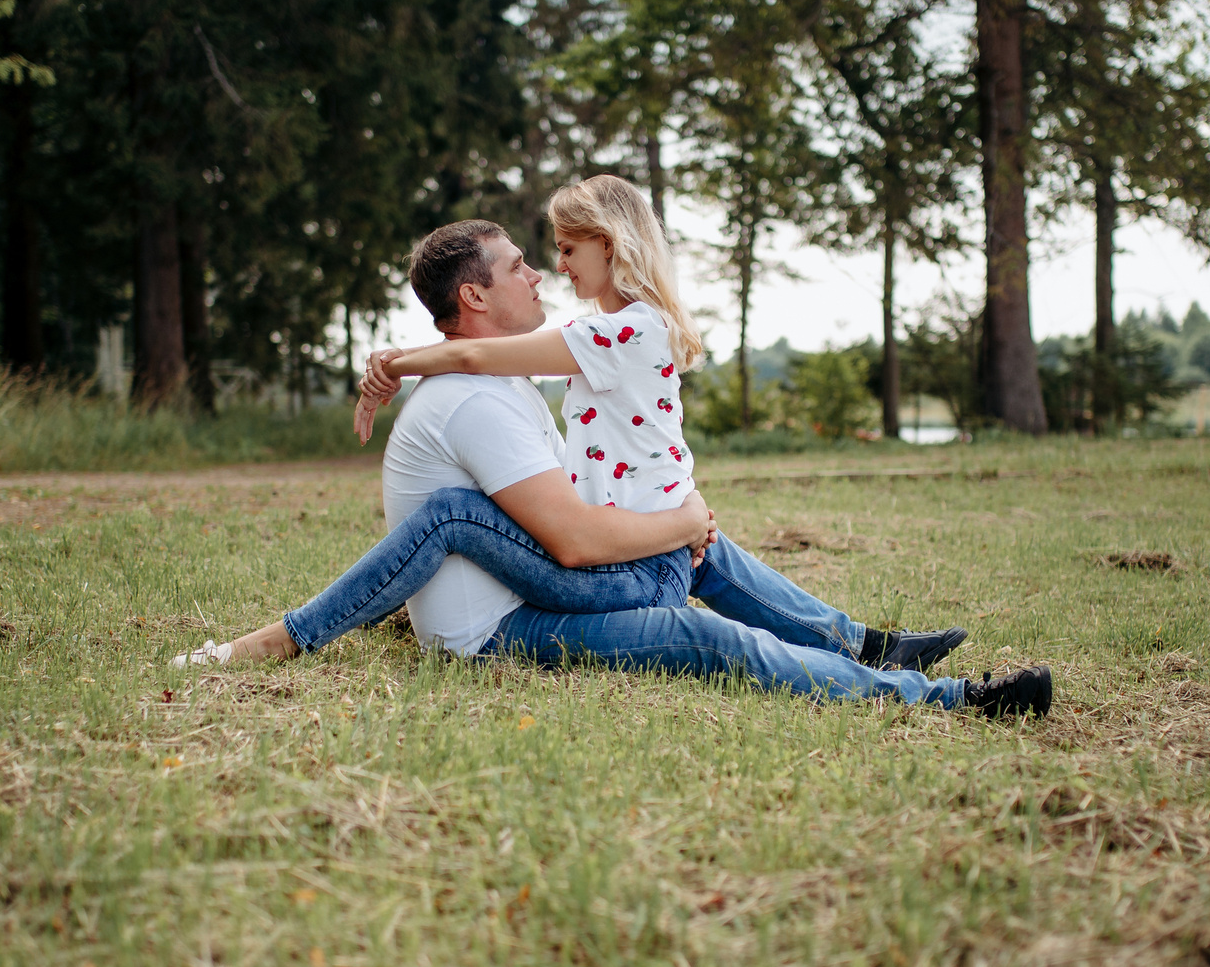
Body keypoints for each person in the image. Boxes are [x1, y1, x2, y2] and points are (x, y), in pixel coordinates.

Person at [171, 206, 1051, 718]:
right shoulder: (475, 396)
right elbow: (579, 542)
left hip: (529, 588)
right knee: (698, 618)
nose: (541, 280)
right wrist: (677, 522)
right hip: (503, 633)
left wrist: (681, 523)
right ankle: (937, 698)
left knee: (703, 543)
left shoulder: (510, 382)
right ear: (475, 296)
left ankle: (862, 642)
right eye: (523, 268)